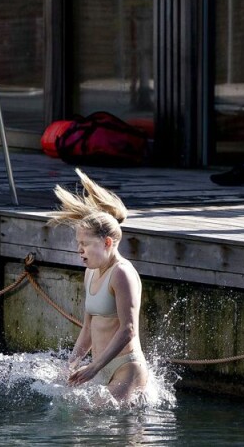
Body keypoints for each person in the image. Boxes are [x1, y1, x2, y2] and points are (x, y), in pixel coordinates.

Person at [49, 168, 149, 402]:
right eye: (78, 243)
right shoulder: (90, 272)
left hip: (126, 367)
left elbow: (128, 329)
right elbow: (88, 328)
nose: (79, 249)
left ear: (106, 243)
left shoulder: (121, 273)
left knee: (102, 425)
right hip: (100, 366)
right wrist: (71, 364)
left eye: (85, 243)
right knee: (76, 418)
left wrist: (94, 368)